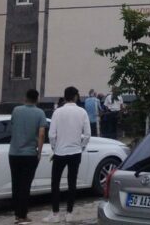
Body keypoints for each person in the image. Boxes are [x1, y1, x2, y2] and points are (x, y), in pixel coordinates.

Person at [44, 86, 90, 223]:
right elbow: (87, 134)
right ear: (76, 96)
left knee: (55, 183)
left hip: (60, 152)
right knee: (72, 182)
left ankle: (55, 214)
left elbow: (51, 135)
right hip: (75, 152)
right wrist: (81, 147)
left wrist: (55, 147)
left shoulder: (57, 112)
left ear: (64, 97)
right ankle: (69, 213)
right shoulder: (82, 112)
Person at [9, 89, 47, 225]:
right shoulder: (40, 113)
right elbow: (41, 134)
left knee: (16, 183)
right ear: (37, 99)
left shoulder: (16, 110)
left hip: (14, 153)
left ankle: (17, 214)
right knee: (25, 185)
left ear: (25, 97)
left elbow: (11, 127)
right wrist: (39, 151)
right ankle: (23, 215)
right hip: (29, 154)